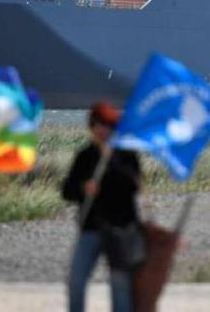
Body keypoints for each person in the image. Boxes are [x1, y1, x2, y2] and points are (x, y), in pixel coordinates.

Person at [62, 102, 142, 312]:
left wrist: (111, 162)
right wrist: (82, 188)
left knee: (120, 285)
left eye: (108, 125)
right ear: (92, 127)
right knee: (76, 280)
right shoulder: (85, 156)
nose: (103, 130)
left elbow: (134, 187)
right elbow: (66, 191)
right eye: (99, 125)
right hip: (91, 228)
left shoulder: (126, 155)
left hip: (120, 228)